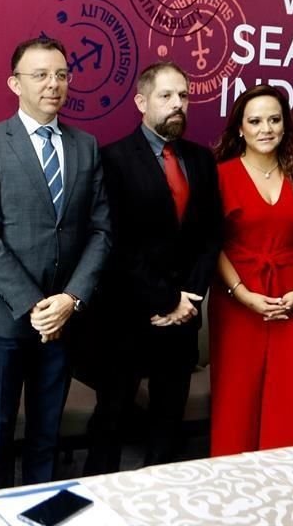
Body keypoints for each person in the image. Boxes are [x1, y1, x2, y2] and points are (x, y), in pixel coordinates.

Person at [0, 37, 111, 490]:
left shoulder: (86, 146)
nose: (54, 84)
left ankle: (41, 512)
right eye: (41, 75)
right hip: (5, 317)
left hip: (64, 317)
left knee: (47, 435)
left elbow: (101, 231)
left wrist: (70, 299)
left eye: (62, 75)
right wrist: (35, 305)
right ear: (15, 84)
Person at [84, 62, 223, 472]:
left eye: (183, 95)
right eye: (166, 96)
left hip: (183, 317)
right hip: (127, 313)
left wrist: (189, 298)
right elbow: (116, 242)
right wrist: (164, 299)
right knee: (112, 414)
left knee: (168, 415)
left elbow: (211, 235)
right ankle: (99, 491)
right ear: (142, 102)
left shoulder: (200, 159)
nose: (177, 104)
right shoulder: (112, 158)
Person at [209, 84, 293, 456]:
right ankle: (232, 480)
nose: (266, 128)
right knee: (236, 398)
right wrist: (243, 295)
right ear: (239, 129)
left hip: (290, 300)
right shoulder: (221, 175)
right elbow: (211, 244)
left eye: (274, 120)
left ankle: (284, 482)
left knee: (286, 395)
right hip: (237, 300)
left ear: (285, 125)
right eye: (255, 120)